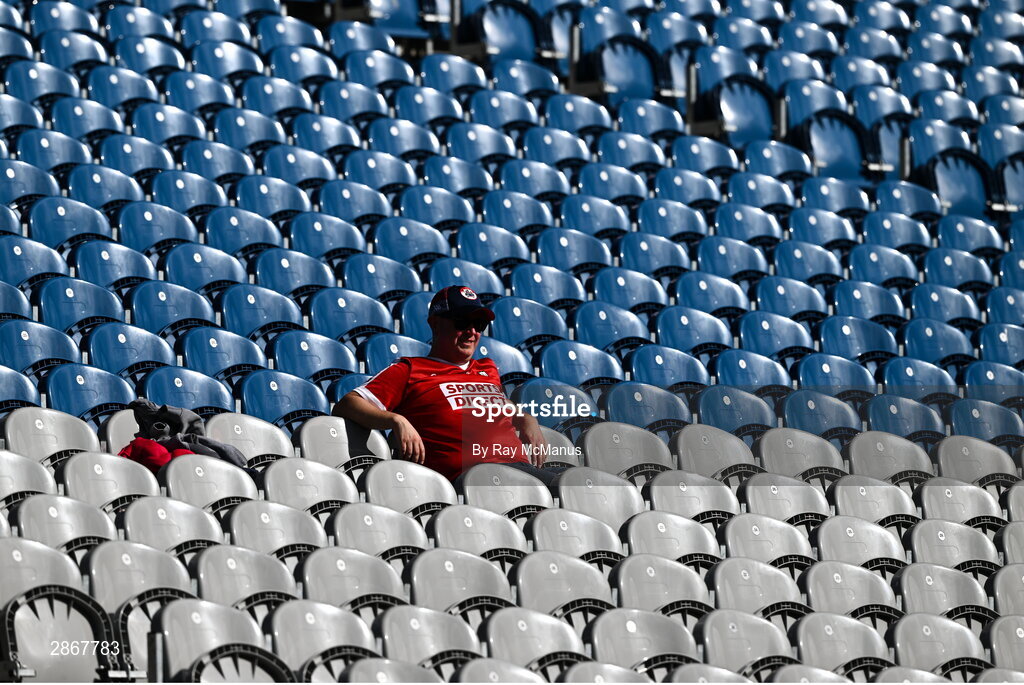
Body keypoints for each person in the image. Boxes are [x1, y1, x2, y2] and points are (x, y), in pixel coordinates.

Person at [333, 285, 560, 484]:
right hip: (474, 477)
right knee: (567, 489)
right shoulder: (410, 369)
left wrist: (525, 418)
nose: (472, 332)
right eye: (462, 322)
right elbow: (347, 404)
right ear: (435, 324)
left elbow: (498, 404)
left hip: (519, 470)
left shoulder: (487, 368)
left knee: (576, 484)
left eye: (479, 324)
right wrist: (395, 420)